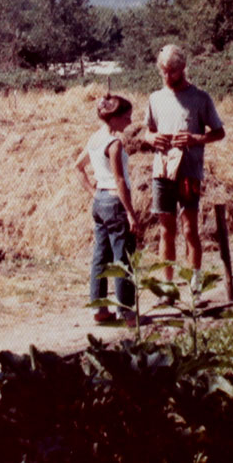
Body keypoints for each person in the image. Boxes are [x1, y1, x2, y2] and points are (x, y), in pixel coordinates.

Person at [144, 44, 225, 297]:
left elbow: (219, 133)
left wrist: (194, 139)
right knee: (166, 229)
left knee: (190, 228)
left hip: (189, 171)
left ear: (183, 69)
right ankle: (167, 285)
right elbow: (147, 131)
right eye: (163, 72)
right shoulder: (155, 98)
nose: (167, 77)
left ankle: (195, 284)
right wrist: (152, 139)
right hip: (163, 171)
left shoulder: (200, 98)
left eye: (172, 72)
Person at [74, 94, 140, 324]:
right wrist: (131, 213)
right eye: (126, 117)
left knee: (100, 256)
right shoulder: (114, 143)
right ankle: (126, 311)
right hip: (114, 201)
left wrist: (94, 193)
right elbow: (120, 180)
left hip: (100, 200)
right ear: (114, 118)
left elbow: (78, 166)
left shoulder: (95, 138)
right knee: (123, 256)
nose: (130, 121)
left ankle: (99, 309)